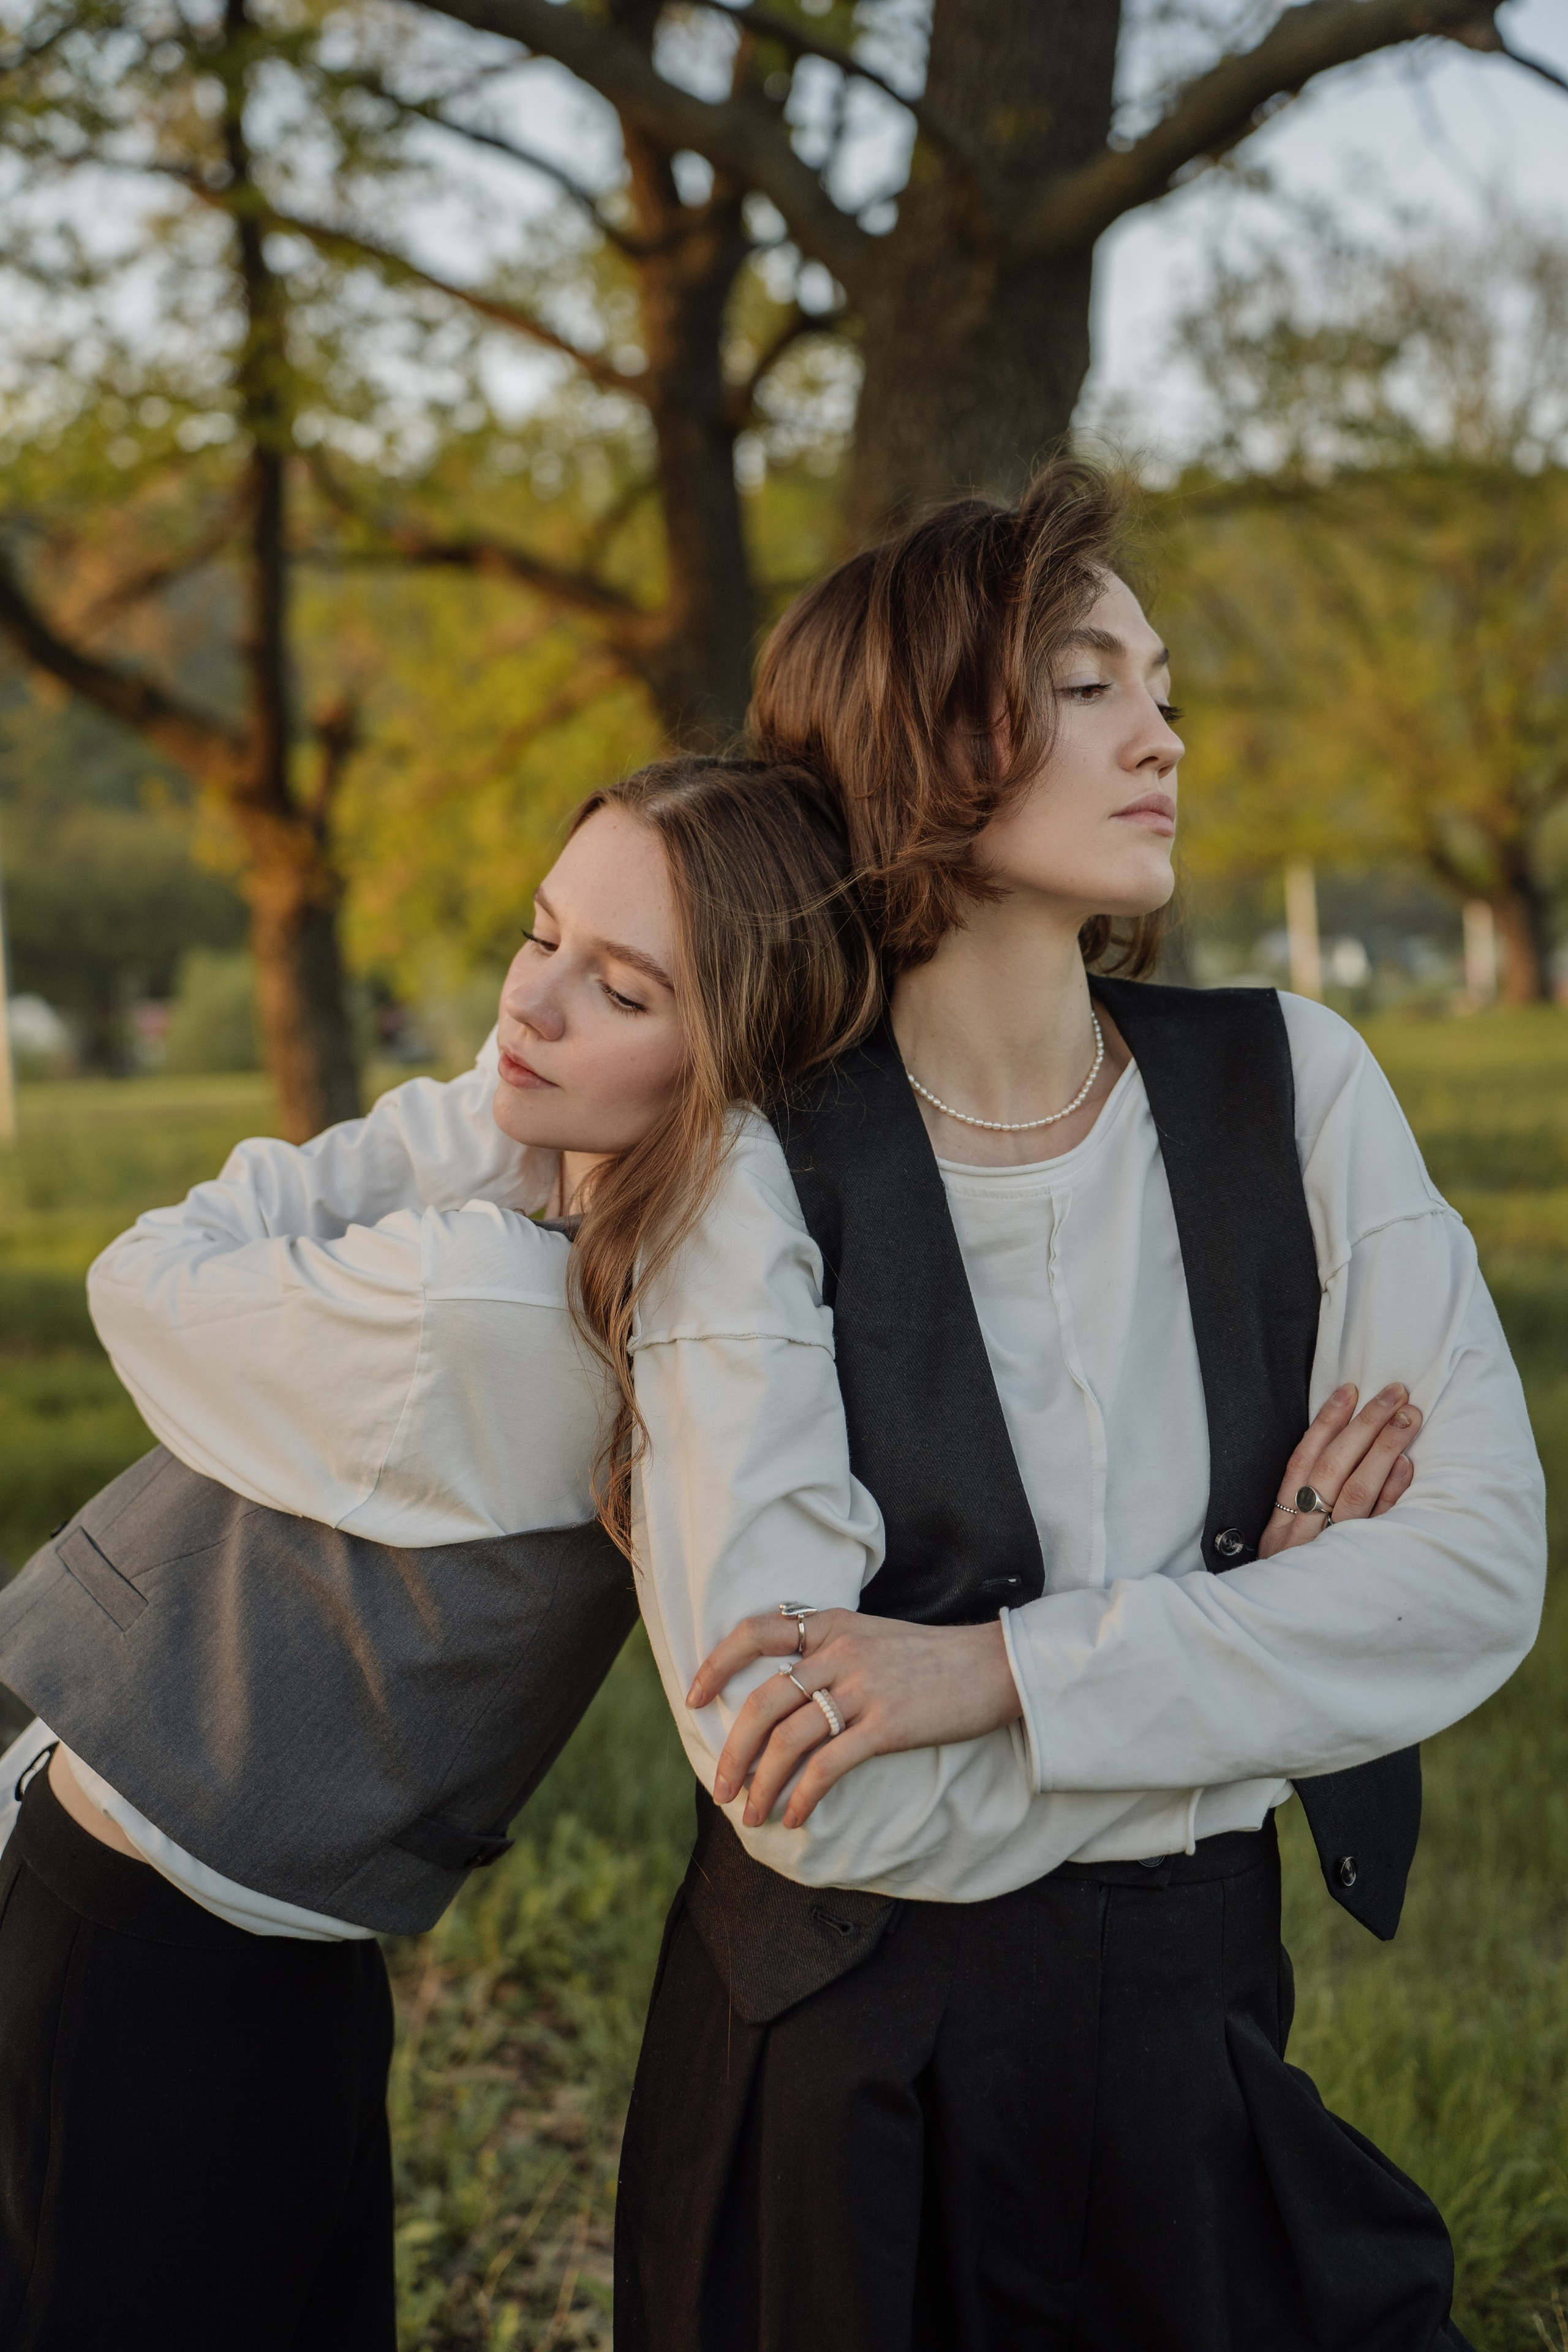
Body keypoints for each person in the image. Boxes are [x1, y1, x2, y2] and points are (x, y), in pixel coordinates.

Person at [609, 466, 1547, 2351]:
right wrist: (1257, 1652)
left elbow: (1475, 1578)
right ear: (915, 735)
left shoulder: (1298, 1084)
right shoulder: (755, 1157)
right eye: (1090, 683)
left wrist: (995, 1674)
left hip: (1197, 2029)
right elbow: (798, 1780)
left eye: (1164, 688)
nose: (1163, 735)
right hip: (848, 2078)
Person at [0, 755, 880, 2352]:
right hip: (225, 1928)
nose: (528, 1004)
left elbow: (146, 1279)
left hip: (161, 1941)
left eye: (618, 989)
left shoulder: (480, 1301)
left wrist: (478, 1121)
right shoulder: (651, 1283)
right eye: (541, 936)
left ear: (736, 1064)